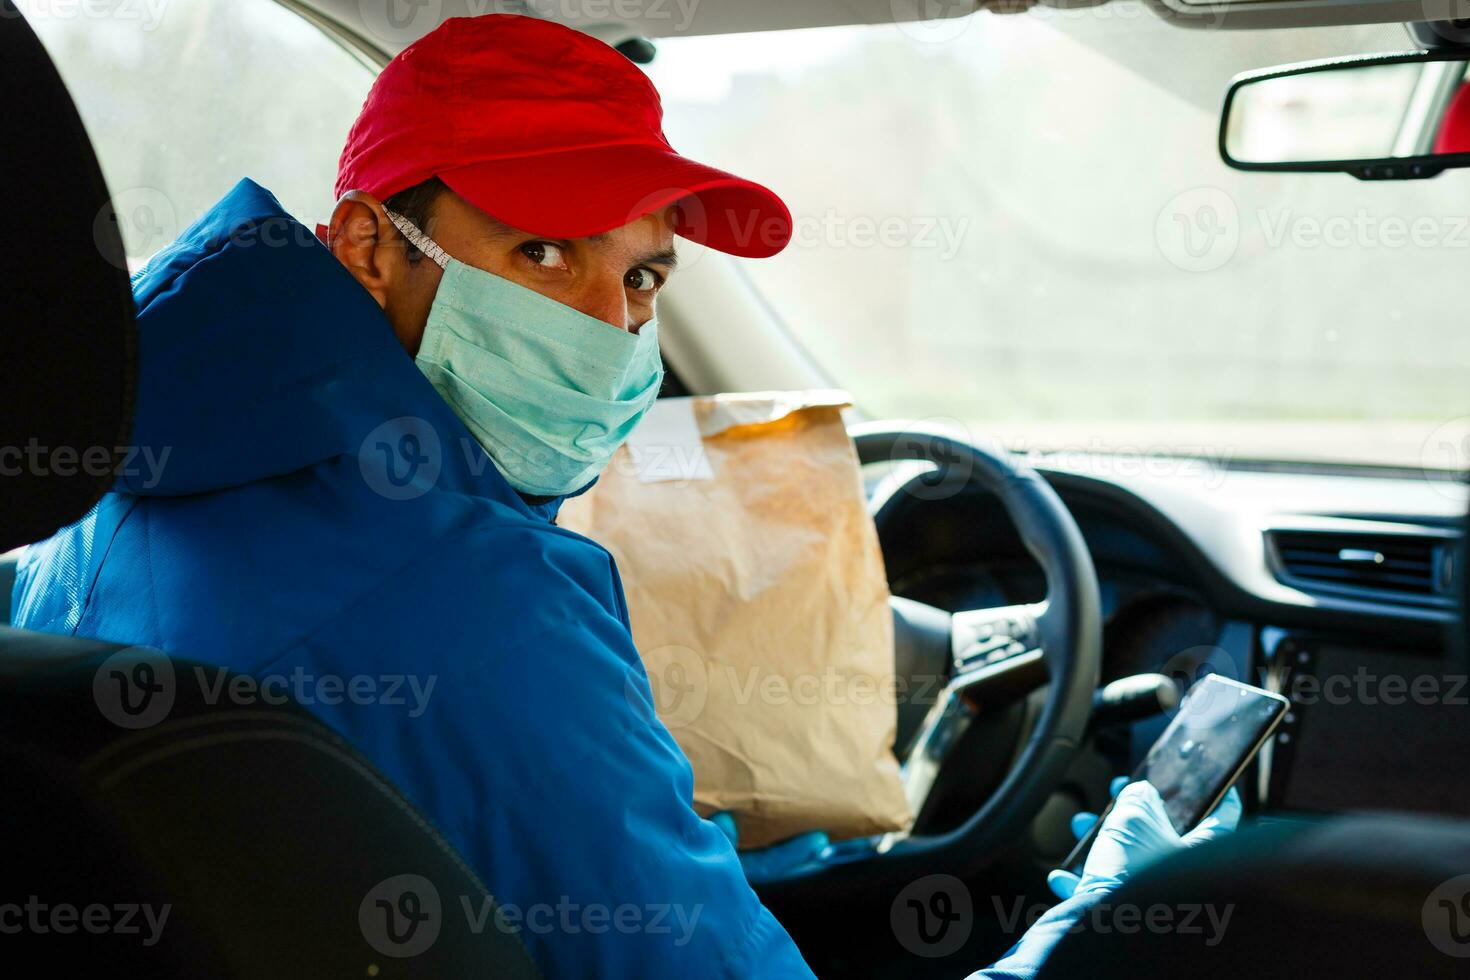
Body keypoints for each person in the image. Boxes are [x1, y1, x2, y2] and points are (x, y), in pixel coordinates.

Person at [10, 13, 1235, 977]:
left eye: (644, 274)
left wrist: (723, 834)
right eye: (543, 251)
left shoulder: (105, 484)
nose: (610, 329)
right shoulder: (472, 595)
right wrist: (1097, 922)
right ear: (371, 245)